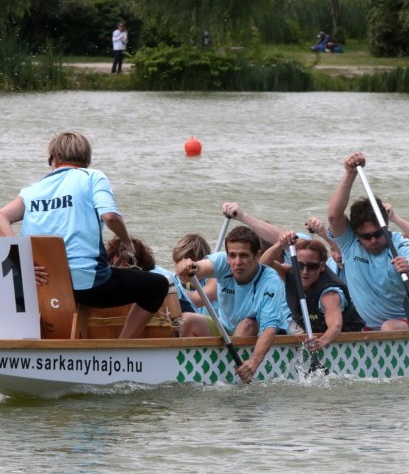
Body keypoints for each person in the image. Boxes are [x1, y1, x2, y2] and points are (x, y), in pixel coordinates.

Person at [0, 131, 169, 338]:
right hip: (89, 286)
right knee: (157, 286)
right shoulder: (93, 177)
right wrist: (126, 242)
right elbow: (110, 217)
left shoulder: (30, 191)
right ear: (86, 159)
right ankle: (122, 347)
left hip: (40, 286)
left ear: (52, 159)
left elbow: (1, 217)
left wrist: (23, 266)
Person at [175, 225, 290, 382]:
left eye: (243, 256)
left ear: (257, 256)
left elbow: (269, 327)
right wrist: (188, 267)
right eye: (232, 255)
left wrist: (254, 362)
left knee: (247, 324)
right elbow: (200, 268)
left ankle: (236, 375)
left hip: (260, 333)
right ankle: (189, 375)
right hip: (226, 328)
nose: (237, 262)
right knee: (187, 320)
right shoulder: (223, 261)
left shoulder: (270, 281)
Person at [327, 152, 409, 331]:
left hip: (406, 323)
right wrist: (350, 173)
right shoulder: (349, 243)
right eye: (366, 236)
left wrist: (408, 272)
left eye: (378, 234)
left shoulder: (401, 245)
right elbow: (334, 215)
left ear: (386, 226)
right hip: (370, 328)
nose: (373, 240)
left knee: (388, 327)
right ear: (356, 234)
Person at [259, 230, 364, 350]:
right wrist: (280, 244)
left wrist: (321, 342)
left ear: (322, 266)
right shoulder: (289, 273)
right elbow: (263, 264)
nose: (305, 272)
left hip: (347, 342)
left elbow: (335, 325)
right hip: (313, 333)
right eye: (300, 265)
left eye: (312, 266)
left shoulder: (329, 294)